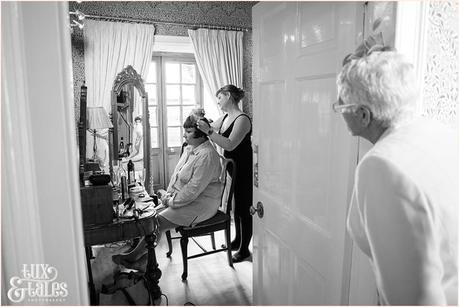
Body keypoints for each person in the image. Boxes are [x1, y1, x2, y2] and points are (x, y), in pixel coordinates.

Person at [336, 41, 458, 305]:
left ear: (362, 114)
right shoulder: (440, 132)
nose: (337, 107)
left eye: (341, 103)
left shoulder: (382, 167)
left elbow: (414, 300)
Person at [113, 114, 223, 265]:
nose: (184, 134)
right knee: (149, 216)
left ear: (202, 134)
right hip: (186, 199)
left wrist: (170, 201)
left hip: (202, 204)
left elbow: (192, 189)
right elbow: (177, 176)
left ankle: (135, 258)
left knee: (157, 220)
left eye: (189, 132)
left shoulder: (207, 156)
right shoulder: (191, 148)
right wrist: (169, 195)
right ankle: (143, 258)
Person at [197, 85, 253, 263]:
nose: (218, 101)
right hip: (233, 169)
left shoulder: (242, 119)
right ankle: (237, 241)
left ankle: (244, 250)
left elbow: (229, 144)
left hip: (245, 169)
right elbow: (210, 128)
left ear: (228, 96)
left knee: (245, 209)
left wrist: (209, 131)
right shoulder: (226, 117)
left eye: (220, 97)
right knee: (237, 207)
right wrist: (200, 121)